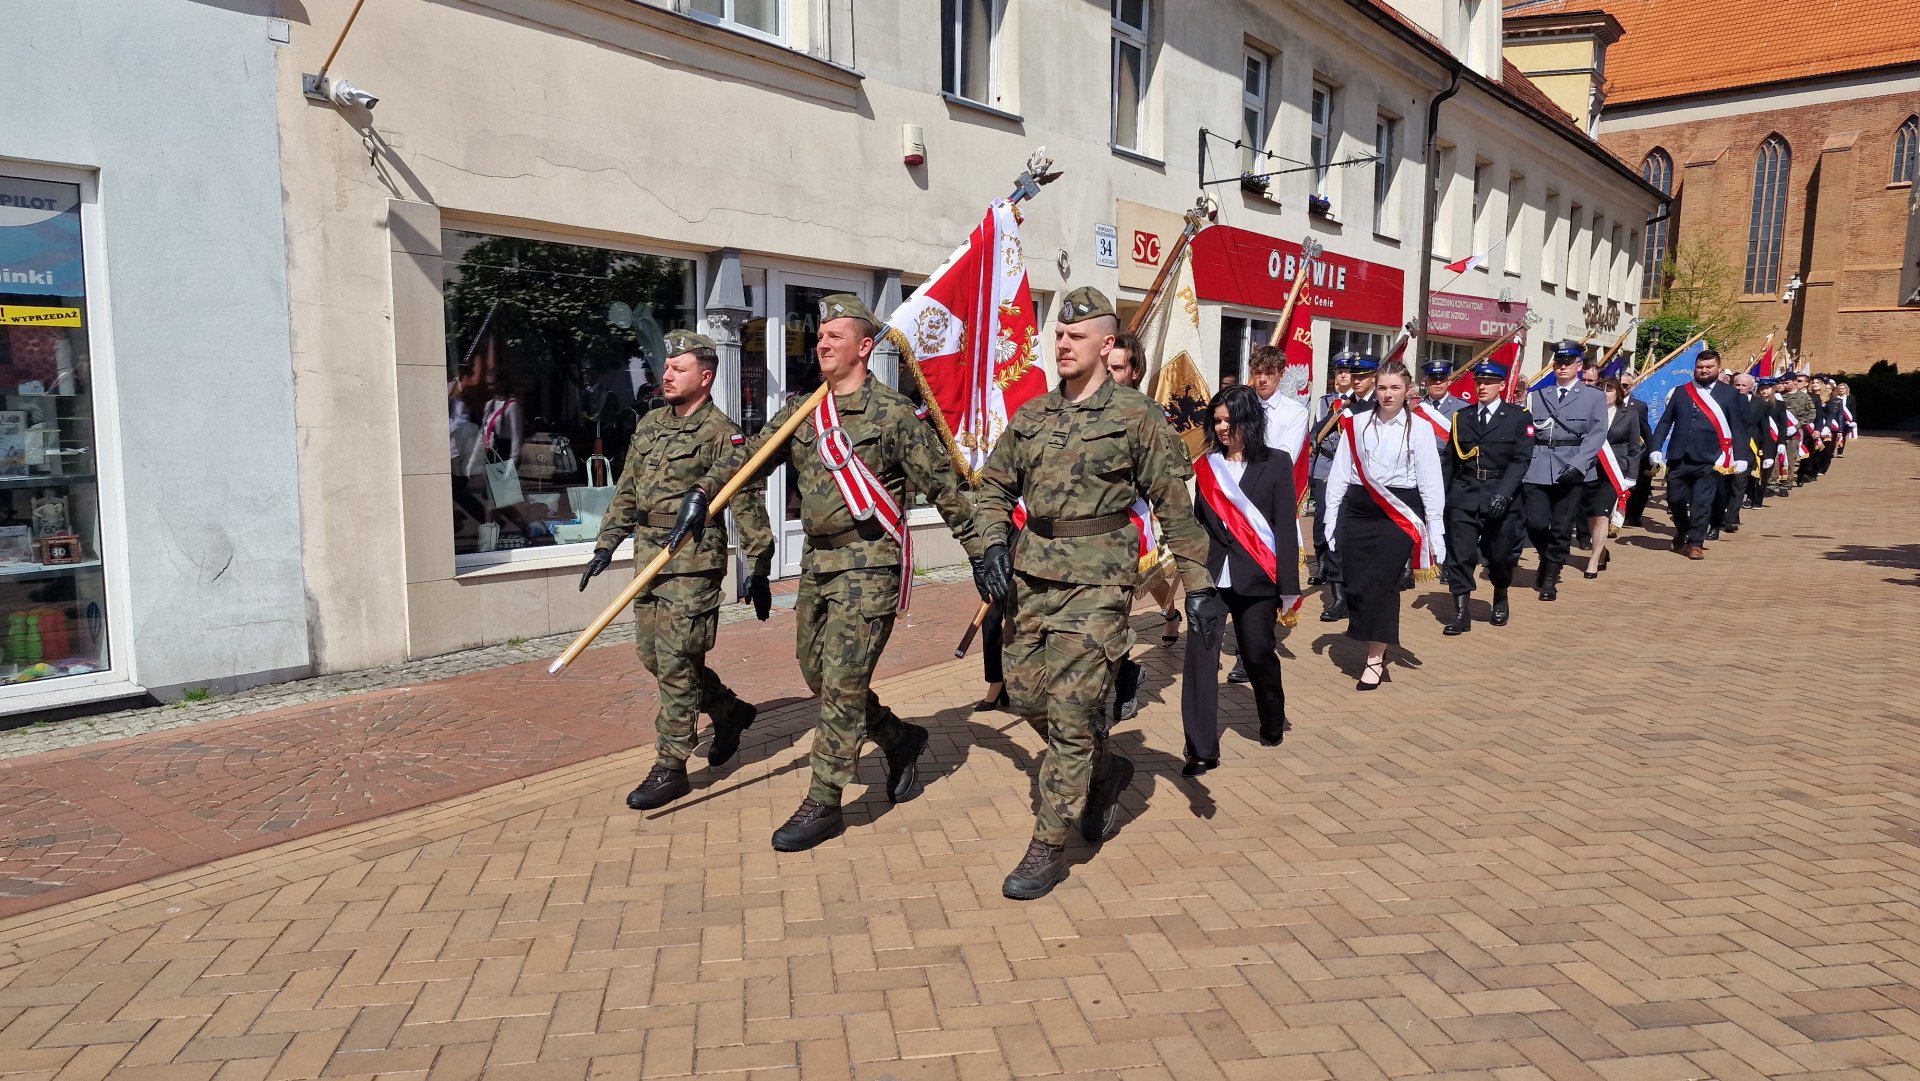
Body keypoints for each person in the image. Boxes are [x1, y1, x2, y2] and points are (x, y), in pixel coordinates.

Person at [666, 294, 988, 852]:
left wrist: (982, 551)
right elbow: (750, 456)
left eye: (834, 336)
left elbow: (946, 487)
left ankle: (824, 799)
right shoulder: (803, 410)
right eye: (820, 336)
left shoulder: (892, 414)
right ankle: (900, 738)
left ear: (863, 347)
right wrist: (702, 490)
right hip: (817, 565)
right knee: (818, 675)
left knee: (840, 684)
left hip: (869, 564)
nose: (822, 343)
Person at [975, 286, 1220, 901]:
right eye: (1058, 334)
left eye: (1076, 336)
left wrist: (1198, 586)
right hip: (1032, 580)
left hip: (1099, 584)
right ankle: (1106, 772)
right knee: (1027, 696)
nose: (1062, 343)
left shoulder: (1139, 417)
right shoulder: (1033, 415)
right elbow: (993, 489)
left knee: (1071, 714)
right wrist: (992, 546)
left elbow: (1175, 507)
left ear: (1106, 343)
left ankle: (1047, 845)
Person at [578, 331, 776, 810]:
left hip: (693, 563)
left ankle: (670, 765)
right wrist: (606, 543)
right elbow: (628, 489)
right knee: (652, 655)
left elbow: (746, 502)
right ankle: (729, 711)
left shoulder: (722, 433)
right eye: (666, 367)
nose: (666, 375)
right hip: (648, 558)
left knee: (677, 662)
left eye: (678, 368)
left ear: (705, 377)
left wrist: (759, 564)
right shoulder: (650, 424)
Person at [1180, 385, 1298, 773]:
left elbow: (1285, 528)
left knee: (1258, 653)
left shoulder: (1277, 463)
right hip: (1211, 578)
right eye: (1216, 421)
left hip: (1258, 578)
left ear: (1249, 420)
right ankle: (1200, 749)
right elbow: (1199, 525)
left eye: (1229, 420)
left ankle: (1272, 718)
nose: (1222, 427)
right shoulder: (1206, 466)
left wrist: (1289, 588)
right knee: (1200, 660)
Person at [1322, 362, 1445, 689]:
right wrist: (1330, 517)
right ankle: (1372, 637)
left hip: (1398, 513)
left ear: (1407, 390)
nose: (1388, 394)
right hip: (1359, 511)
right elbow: (1340, 472)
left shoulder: (1419, 428)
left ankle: (1375, 657)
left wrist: (1436, 530)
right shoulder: (1356, 423)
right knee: (1357, 584)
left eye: (1395, 388)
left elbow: (1431, 482)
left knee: (1383, 585)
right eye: (1382, 388)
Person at [1225, 344, 1311, 684]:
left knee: (1266, 575)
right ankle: (1243, 647)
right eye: (1257, 373)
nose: (1262, 380)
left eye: (1269, 374)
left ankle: (1256, 648)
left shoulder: (1294, 412)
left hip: (1270, 500)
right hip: (1237, 498)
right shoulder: (1239, 405)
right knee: (1240, 576)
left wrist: (1244, 455)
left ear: (1280, 375)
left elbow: (1283, 455)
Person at [1103, 332, 1182, 648]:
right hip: (1096, 511)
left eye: (1118, 368)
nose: (1110, 375)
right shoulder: (1087, 406)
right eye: (1106, 367)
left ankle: (1169, 613)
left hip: (1134, 507)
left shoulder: (1150, 412)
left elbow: (1169, 465)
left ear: (1135, 371)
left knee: (1144, 573)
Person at [1440, 361, 1530, 635]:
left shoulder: (1518, 417)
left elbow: (1521, 460)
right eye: (1479, 382)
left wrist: (1504, 493)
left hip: (1500, 493)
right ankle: (1461, 612)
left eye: (1489, 382)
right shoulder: (1462, 417)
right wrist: (1441, 497)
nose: (1482, 387)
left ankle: (1500, 592)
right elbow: (1451, 460)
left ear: (1501, 385)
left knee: (1500, 556)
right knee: (1460, 554)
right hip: (1464, 493)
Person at [1649, 348, 1753, 560]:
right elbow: (1666, 421)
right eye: (1700, 367)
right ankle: (1683, 529)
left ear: (1718, 368)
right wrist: (1655, 447)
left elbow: (1738, 427)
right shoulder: (1681, 391)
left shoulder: (1730, 394)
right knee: (1675, 500)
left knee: (1701, 503)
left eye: (1709, 367)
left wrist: (1741, 456)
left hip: (1710, 458)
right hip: (1679, 456)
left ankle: (1696, 543)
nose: (1704, 370)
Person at [1522, 341, 1607, 600]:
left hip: (1572, 466)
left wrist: (1578, 464)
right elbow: (1527, 431)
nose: (1562, 367)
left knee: (1561, 526)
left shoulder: (1594, 397)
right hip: (1538, 465)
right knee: (1535, 522)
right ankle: (1547, 556)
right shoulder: (1537, 395)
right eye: (1558, 363)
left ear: (1579, 366)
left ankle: (1551, 575)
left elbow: (1596, 434)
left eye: (1568, 363)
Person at [1314, 354, 1379, 621]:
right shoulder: (1343, 404)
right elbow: (1318, 431)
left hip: (1371, 483)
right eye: (1354, 375)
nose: (1356, 380)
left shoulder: (1381, 404)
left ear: (1374, 377)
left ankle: (1362, 596)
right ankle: (1339, 598)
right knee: (1336, 536)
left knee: (1367, 544)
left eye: (1362, 376)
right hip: (1342, 479)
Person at [1580, 377, 1644, 579]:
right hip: (1589, 470)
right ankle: (1601, 550)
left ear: (1618, 393)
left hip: (1613, 471)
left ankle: (1593, 561)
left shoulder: (1629, 413)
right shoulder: (1588, 413)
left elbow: (1634, 447)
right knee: (1590, 515)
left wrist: (1631, 475)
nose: (1604, 393)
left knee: (1601, 514)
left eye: (1609, 389)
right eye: (1600, 389)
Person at [1305, 354, 1357, 587]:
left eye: (1348, 371)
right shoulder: (1325, 402)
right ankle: (1322, 563)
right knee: (1322, 515)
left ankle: (1342, 563)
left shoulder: (1359, 402)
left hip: (1349, 466)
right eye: (1339, 371)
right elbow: (1316, 438)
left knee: (1345, 515)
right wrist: (1311, 473)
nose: (1343, 375)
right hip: (1326, 464)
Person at [1709, 372, 1763, 538]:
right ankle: (1719, 517)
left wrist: (1768, 452)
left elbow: (1762, 428)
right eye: (1737, 384)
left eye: (1743, 385)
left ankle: (1731, 519)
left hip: (1746, 450)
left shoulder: (1760, 404)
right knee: (1722, 488)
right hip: (1723, 451)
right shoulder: (1724, 400)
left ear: (1751, 387)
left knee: (1739, 487)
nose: (1739, 388)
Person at [1414, 359, 1469, 453]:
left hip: (1450, 459)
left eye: (1442, 379)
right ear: (1425, 382)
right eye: (1434, 379)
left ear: (1449, 381)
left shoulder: (1463, 407)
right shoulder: (1415, 407)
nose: (1438, 382)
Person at [1781, 371, 1818, 485]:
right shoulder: (1779, 396)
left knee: (1792, 457)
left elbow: (1811, 414)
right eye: (1783, 383)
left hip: (1798, 432)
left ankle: (1788, 482)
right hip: (1781, 430)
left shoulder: (1804, 397)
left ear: (1795, 382)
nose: (1784, 385)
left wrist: (1797, 425)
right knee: (1781, 457)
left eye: (1787, 383)